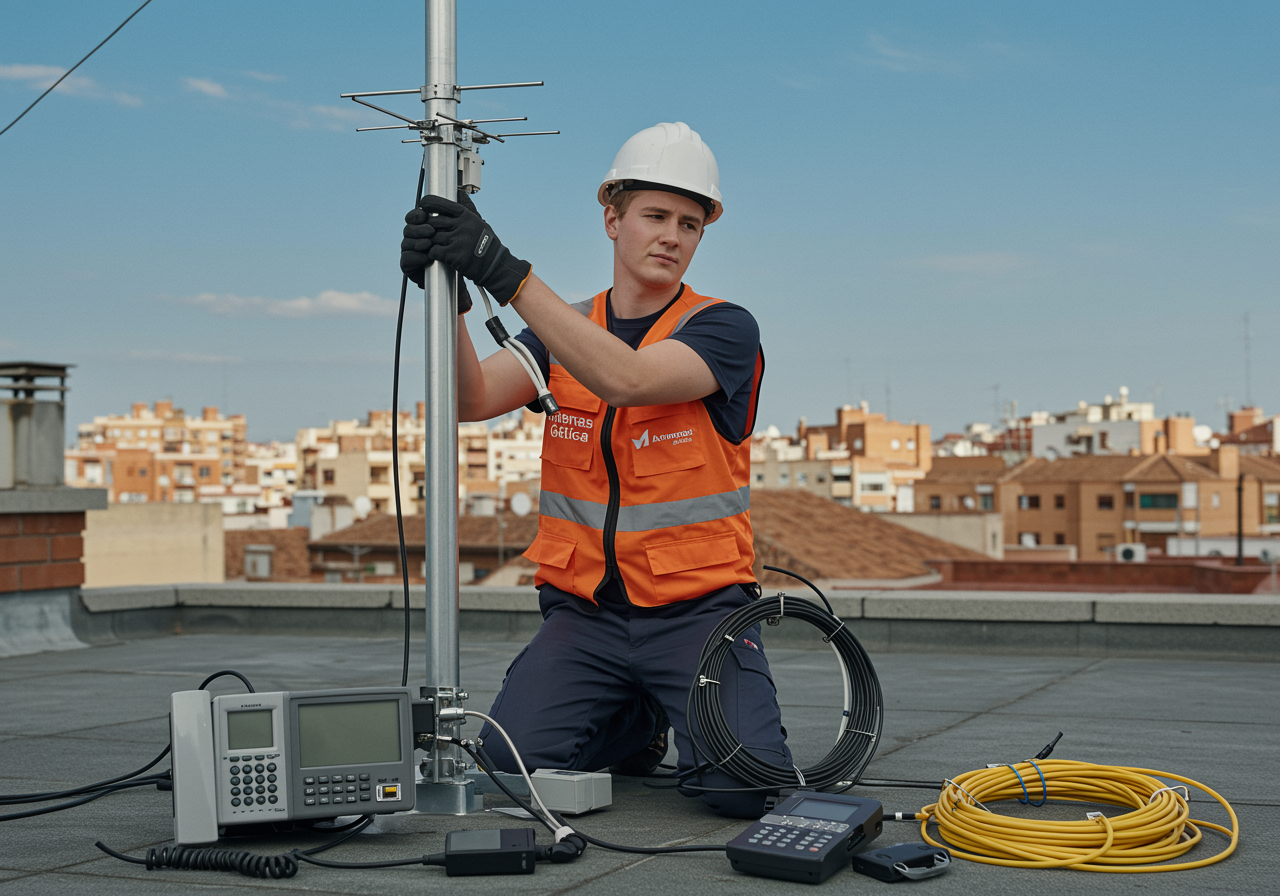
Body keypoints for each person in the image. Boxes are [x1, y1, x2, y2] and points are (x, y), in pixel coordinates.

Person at [400, 122, 792, 818]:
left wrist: (505, 272)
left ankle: (669, 707)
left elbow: (630, 378)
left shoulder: (724, 328)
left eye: (690, 223)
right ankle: (638, 720)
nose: (672, 235)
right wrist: (452, 299)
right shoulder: (565, 327)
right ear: (612, 219)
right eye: (655, 216)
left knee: (745, 789)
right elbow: (470, 399)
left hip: (698, 614)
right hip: (587, 618)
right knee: (504, 770)